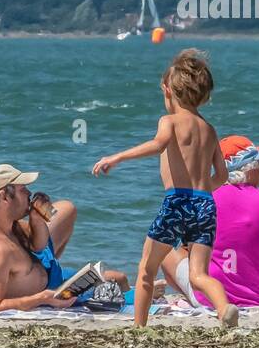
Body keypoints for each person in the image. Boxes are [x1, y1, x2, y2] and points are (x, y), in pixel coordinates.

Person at [91, 49, 239, 328]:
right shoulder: (209, 129)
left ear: (167, 90)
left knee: (146, 269)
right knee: (198, 274)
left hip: (177, 202)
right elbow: (222, 174)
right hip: (205, 203)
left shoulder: (168, 121)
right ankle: (224, 309)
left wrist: (117, 157)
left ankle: (139, 327)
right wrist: (201, 191)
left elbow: (158, 145)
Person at [0, 163, 127, 312]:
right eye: (23, 190)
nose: (30, 194)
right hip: (51, 291)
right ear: (4, 197)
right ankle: (145, 294)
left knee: (67, 208)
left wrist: (36, 219)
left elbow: (38, 246)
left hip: (47, 273)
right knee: (118, 279)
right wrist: (42, 299)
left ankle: (149, 288)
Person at [161, 135, 259, 309]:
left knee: (167, 251)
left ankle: (202, 293)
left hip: (212, 302)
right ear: (248, 168)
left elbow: (192, 247)